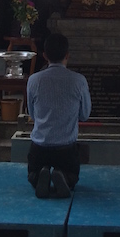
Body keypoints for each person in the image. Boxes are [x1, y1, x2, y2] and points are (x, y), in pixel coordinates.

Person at [26, 32, 91, 199]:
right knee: (73, 176)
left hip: (39, 147)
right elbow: (84, 115)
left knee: (32, 175)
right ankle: (64, 176)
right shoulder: (79, 80)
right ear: (67, 55)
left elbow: (32, 114)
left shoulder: (33, 80)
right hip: (66, 148)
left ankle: (40, 174)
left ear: (45, 56)